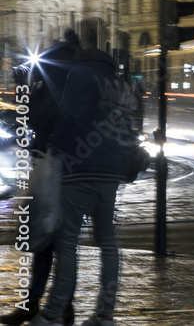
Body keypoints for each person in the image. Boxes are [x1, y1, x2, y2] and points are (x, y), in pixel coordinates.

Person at [31, 45, 133, 326]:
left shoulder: (80, 74)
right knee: (108, 242)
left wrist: (56, 150)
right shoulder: (118, 82)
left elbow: (69, 117)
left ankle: (53, 313)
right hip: (111, 170)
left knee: (67, 241)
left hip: (80, 165)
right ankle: (105, 314)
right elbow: (128, 125)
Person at [1, 31, 80, 326]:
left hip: (55, 168)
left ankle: (43, 306)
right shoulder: (62, 82)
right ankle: (48, 305)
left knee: (50, 240)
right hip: (55, 167)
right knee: (50, 240)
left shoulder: (58, 84)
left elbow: (36, 117)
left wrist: (28, 89)